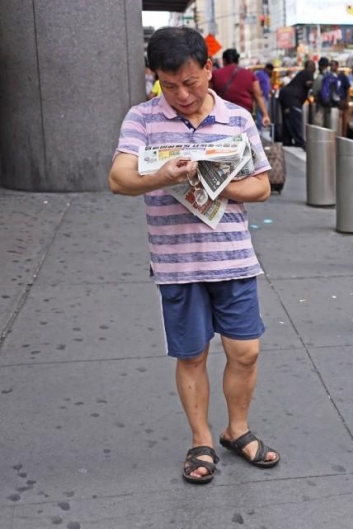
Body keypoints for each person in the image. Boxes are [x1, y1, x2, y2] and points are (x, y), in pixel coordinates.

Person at [108, 27, 279, 484]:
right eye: (169, 84)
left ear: (209, 68)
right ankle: (200, 440)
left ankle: (236, 430)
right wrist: (163, 175)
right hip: (176, 264)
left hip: (234, 259)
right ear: (155, 78)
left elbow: (262, 186)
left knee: (245, 352)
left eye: (190, 81)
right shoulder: (141, 119)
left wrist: (213, 181)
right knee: (192, 356)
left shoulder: (238, 118)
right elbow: (119, 178)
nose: (181, 94)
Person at [211, 48, 270, 128]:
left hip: (222, 117)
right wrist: (265, 115)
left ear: (224, 60)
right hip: (244, 117)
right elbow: (258, 96)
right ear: (237, 60)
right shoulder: (250, 75)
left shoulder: (215, 75)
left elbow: (209, 94)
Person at [278, 59, 315, 148]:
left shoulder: (302, 73)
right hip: (292, 98)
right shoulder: (308, 73)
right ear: (311, 67)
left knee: (288, 118)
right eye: (314, 66)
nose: (315, 68)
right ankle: (300, 142)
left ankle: (287, 140)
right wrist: (315, 85)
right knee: (295, 118)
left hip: (285, 95)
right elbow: (308, 83)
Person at [331, 60, 351, 136]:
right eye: (331, 65)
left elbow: (348, 88)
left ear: (337, 66)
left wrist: (347, 101)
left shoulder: (342, 76)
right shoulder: (329, 76)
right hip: (333, 102)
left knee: (343, 121)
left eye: (333, 65)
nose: (331, 67)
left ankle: (343, 136)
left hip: (342, 101)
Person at [311, 57, 333, 127]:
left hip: (320, 105)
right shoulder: (332, 76)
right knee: (329, 125)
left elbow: (314, 92)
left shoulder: (320, 77)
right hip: (330, 105)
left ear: (320, 66)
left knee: (318, 124)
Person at [254, 63, 274, 130]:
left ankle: (263, 127)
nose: (270, 72)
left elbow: (267, 85)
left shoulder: (266, 75)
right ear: (266, 68)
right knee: (260, 112)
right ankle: (260, 128)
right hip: (261, 97)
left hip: (266, 97)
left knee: (264, 112)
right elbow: (255, 83)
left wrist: (271, 91)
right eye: (270, 70)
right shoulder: (259, 74)